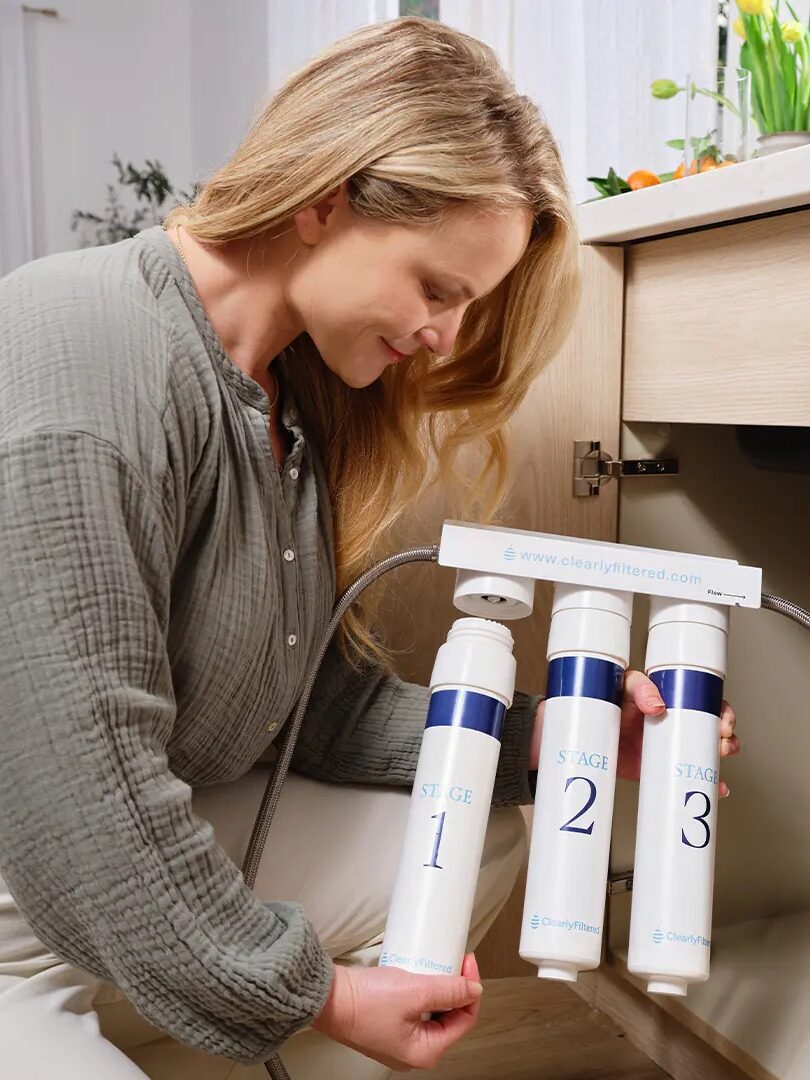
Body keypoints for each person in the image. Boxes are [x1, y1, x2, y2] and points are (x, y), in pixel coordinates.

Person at [0, 15, 740, 1079]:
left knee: (473, 822)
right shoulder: (81, 355)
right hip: (25, 887)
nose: (442, 335)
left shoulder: (288, 400)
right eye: (437, 289)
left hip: (107, 849)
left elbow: (319, 708)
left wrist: (557, 739)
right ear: (325, 197)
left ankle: (189, 1011)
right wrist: (323, 993)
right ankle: (182, 1003)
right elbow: (79, 792)